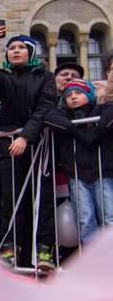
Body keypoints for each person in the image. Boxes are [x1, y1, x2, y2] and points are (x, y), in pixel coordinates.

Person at [0, 27, 58, 271]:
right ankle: (10, 248)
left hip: (37, 146)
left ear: (31, 51)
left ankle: (45, 250)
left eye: (21, 47)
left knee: (41, 199)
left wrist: (25, 136)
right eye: (11, 48)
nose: (15, 51)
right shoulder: (5, 77)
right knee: (10, 201)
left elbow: (46, 108)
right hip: (9, 148)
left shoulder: (45, 77)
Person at [45, 79, 113, 244]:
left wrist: (97, 134)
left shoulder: (100, 108)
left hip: (103, 172)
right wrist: (75, 132)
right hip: (77, 175)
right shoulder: (64, 114)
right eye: (69, 95)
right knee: (85, 218)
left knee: (109, 216)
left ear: (89, 95)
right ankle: (93, 260)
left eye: (79, 93)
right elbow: (50, 117)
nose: (73, 97)